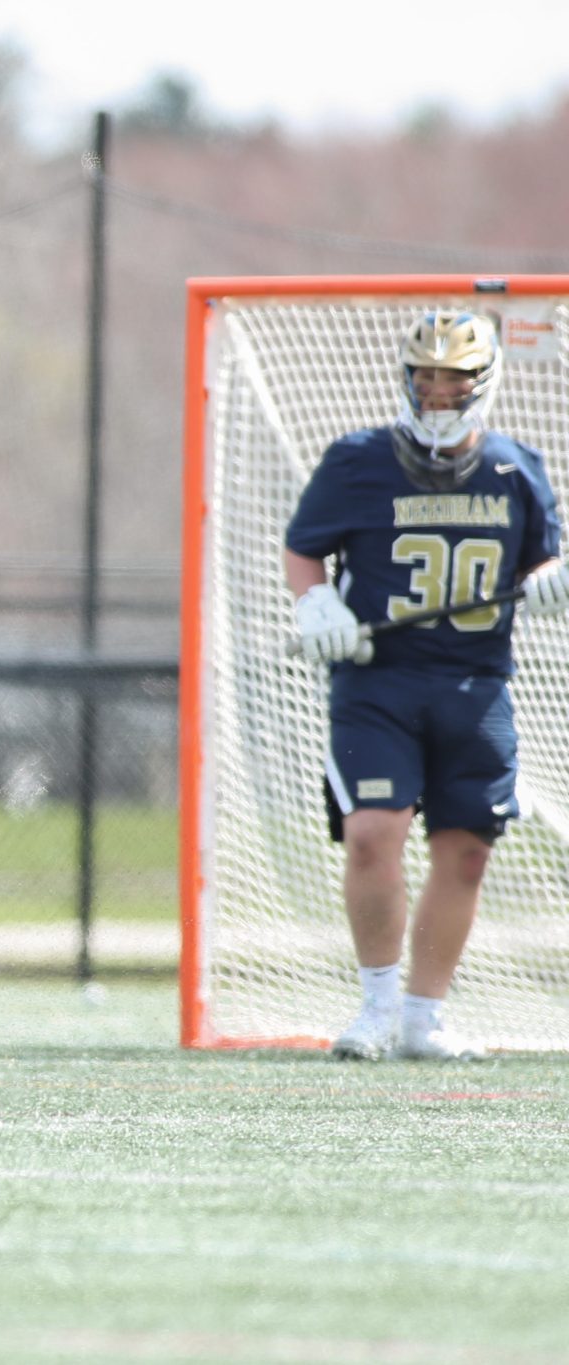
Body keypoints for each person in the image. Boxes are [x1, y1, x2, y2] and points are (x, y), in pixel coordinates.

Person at [285, 309, 568, 1062]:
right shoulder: (358, 461)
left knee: (467, 850)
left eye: (454, 379)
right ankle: (376, 1008)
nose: (438, 392)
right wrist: (318, 604)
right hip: (378, 682)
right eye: (427, 378)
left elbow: (541, 559)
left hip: (476, 684)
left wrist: (548, 581)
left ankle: (423, 1016)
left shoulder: (515, 468)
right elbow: (304, 549)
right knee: (372, 832)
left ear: (484, 382)